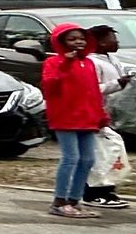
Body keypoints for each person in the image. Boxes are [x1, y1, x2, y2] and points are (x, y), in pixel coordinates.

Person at [40, 24, 107, 219]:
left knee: (87, 159)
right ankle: (59, 201)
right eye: (72, 39)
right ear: (61, 43)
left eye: (81, 38)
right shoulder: (53, 62)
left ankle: (74, 200)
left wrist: (101, 115)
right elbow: (49, 87)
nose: (78, 42)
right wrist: (65, 64)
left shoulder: (88, 63)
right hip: (65, 116)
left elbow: (94, 91)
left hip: (87, 117)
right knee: (71, 158)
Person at [82, 24, 132, 210]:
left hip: (112, 115)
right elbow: (92, 89)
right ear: (100, 42)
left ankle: (108, 190)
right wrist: (117, 84)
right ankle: (93, 193)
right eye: (112, 38)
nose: (116, 41)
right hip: (97, 115)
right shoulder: (91, 62)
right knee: (99, 155)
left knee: (111, 153)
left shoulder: (112, 60)